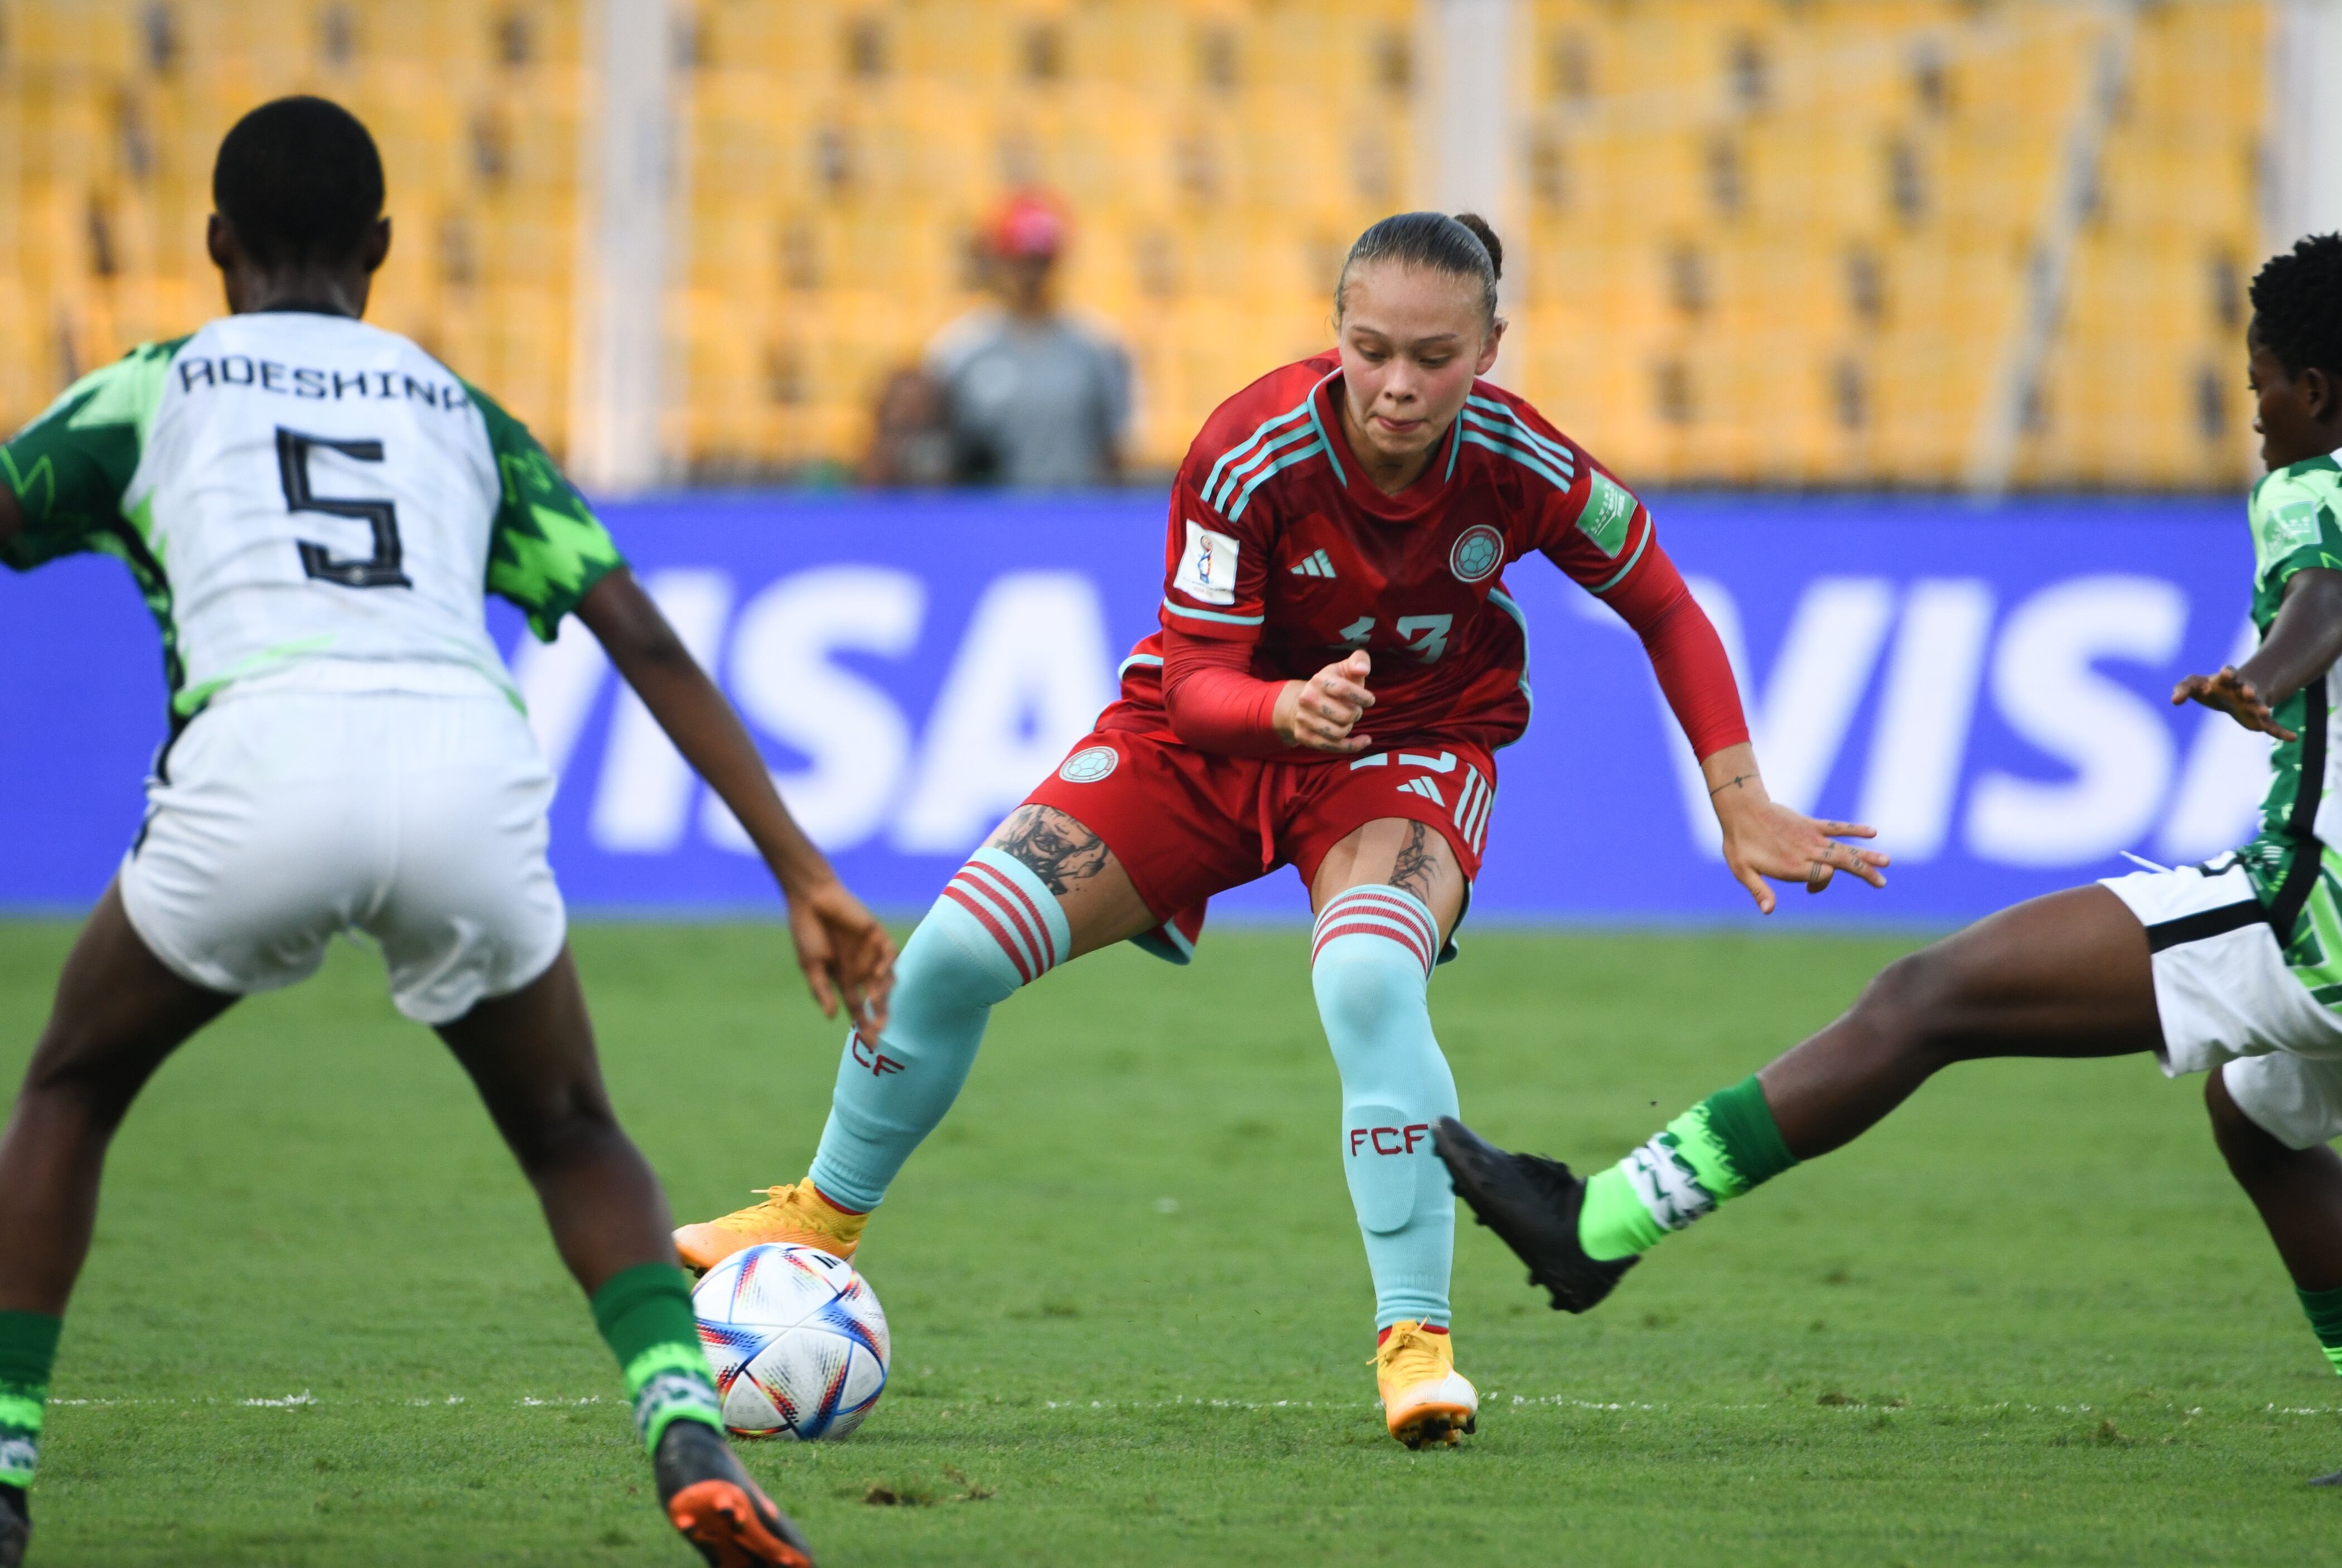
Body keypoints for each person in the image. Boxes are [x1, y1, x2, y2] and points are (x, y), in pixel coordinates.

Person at [1437, 229, 2342, 1490]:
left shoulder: (2315, 484)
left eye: (2260, 385)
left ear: (2314, 389)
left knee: (1923, 997)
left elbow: (2324, 596)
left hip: (2322, 910)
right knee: (2261, 1119)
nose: (2255, 413)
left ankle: (1599, 1225)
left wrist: (2264, 676)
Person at [675, 210, 1889, 1448]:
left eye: (1435, 357)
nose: (1398, 385)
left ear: (1488, 350)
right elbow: (1198, 676)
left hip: (1407, 749)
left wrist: (1739, 797)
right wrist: (1282, 708)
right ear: (1336, 332)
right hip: (1205, 741)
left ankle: (1415, 1345)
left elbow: (1665, 603)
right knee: (947, 954)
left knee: (1368, 981)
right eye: (1372, 350)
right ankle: (824, 1213)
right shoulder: (1248, 449)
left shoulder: (1524, 462)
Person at [0, 98, 901, 1568]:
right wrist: (804, 871)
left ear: (217, 243)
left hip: (258, 759)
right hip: (463, 764)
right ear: (380, 248)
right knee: (572, 1127)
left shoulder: (152, 390)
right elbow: (643, 636)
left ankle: (3, 1460)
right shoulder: (458, 412)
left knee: (72, 1088)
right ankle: (686, 1426)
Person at [858, 191, 1132, 489]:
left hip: (1075, 509)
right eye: (1020, 262)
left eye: (1041, 262)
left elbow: (1117, 449)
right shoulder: (958, 350)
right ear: (999, 262)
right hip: (990, 513)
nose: (1030, 276)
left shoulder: (1098, 348)